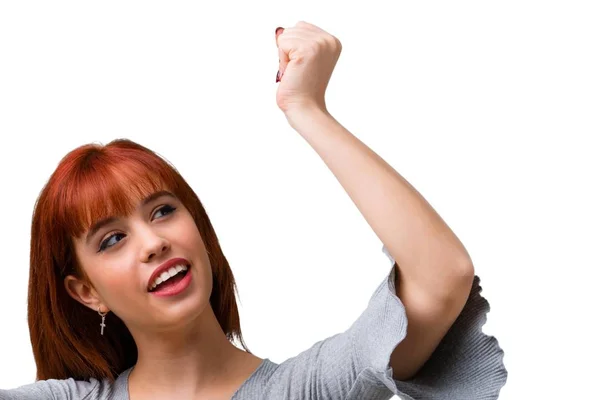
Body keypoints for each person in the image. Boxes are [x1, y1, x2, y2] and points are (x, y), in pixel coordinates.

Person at [1, 21, 507, 400]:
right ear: (86, 292)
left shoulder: (307, 390)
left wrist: (306, 109)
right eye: (112, 239)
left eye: (161, 212)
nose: (153, 242)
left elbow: (442, 276)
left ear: (197, 228)